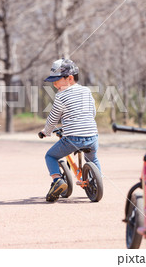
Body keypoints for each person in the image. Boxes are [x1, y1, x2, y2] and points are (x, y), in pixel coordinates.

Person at [40, 58, 101, 202]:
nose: (54, 84)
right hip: (92, 136)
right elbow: (92, 112)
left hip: (73, 138)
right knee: (93, 158)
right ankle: (98, 181)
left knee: (50, 156)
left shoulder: (61, 96)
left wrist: (46, 131)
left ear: (70, 78)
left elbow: (53, 119)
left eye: (57, 80)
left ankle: (57, 181)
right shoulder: (86, 91)